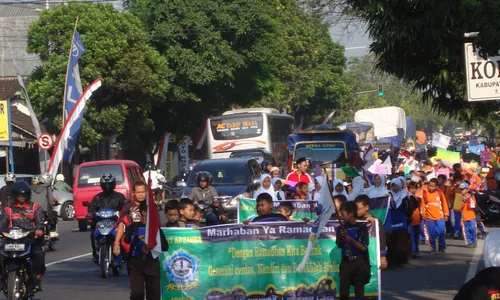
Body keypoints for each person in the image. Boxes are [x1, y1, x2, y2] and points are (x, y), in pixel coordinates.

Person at [1, 181, 45, 292]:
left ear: (28, 195)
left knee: (38, 254)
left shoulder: (35, 208)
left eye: (24, 194)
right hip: (10, 240)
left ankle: (36, 280)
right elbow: (2, 224)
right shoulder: (8, 210)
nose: (22, 197)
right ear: (14, 195)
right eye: (19, 195)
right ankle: (2, 280)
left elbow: (40, 222)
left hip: (29, 239)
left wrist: (39, 230)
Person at [125, 201, 168, 300]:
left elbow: (165, 246)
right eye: (152, 211)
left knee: (154, 295)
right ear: (144, 212)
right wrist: (137, 237)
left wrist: (155, 242)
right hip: (136, 264)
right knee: (137, 293)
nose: (156, 214)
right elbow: (127, 239)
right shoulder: (134, 227)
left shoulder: (157, 229)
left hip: (152, 264)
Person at [335, 202, 370, 300]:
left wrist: (351, 240)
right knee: (344, 293)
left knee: (359, 293)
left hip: (359, 262)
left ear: (350, 214)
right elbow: (339, 245)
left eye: (343, 213)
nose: (341, 216)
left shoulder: (362, 227)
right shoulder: (340, 228)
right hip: (346, 262)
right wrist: (341, 237)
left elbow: (364, 247)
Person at [88, 173, 127, 262]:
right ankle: (95, 254)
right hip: (101, 222)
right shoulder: (97, 197)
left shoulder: (119, 197)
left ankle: (124, 254)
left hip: (115, 222)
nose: (107, 187)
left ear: (113, 184)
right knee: (92, 233)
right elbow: (92, 207)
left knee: (124, 233)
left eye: (109, 184)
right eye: (105, 185)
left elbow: (125, 208)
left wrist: (123, 214)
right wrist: (90, 213)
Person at [113, 181, 148, 257]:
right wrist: (116, 243)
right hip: (132, 236)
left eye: (143, 192)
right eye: (138, 192)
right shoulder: (128, 206)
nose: (141, 194)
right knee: (124, 220)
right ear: (133, 193)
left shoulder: (150, 205)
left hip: (147, 236)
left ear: (146, 192)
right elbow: (121, 224)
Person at [355, 194, 388, 270]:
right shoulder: (353, 220)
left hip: (371, 256)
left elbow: (382, 240)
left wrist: (383, 257)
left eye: (359, 209)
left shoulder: (375, 221)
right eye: (355, 208)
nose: (357, 211)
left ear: (367, 207)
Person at [422, 178, 449, 254]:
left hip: (440, 216)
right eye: (429, 185)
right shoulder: (425, 194)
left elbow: (444, 204)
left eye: (432, 186)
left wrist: (446, 214)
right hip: (430, 218)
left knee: (441, 231)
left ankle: (441, 247)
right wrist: (424, 216)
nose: (430, 187)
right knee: (432, 233)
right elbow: (423, 206)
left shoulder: (440, 193)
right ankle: (433, 247)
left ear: (436, 187)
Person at [388, 177, 410, 266]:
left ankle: (402, 260)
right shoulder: (388, 197)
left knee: (401, 242)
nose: (394, 188)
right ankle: (393, 261)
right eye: (393, 186)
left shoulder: (404, 196)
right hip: (391, 221)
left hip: (401, 221)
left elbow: (408, 209)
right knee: (392, 241)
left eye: (396, 186)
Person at [31, 173, 58, 239]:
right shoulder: (47, 188)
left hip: (33, 210)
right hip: (44, 211)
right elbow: (50, 200)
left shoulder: (30, 188)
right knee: (53, 214)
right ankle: (52, 231)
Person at [459, 182, 478, 248]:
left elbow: (474, 204)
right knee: (466, 230)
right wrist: (463, 201)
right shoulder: (459, 197)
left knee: (473, 228)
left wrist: (470, 197)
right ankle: (469, 242)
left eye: (463, 189)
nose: (461, 191)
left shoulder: (471, 196)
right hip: (464, 217)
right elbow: (457, 208)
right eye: (460, 189)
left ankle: (474, 240)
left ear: (467, 189)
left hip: (471, 216)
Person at [408, 181, 422, 258]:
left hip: (417, 220)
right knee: (412, 237)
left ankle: (416, 250)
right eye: (411, 188)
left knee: (416, 237)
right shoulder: (407, 197)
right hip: (410, 220)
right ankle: (413, 251)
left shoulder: (418, 198)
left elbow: (420, 209)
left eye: (414, 188)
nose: (412, 190)